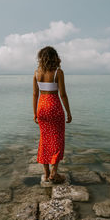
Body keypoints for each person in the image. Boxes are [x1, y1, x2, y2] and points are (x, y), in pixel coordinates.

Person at [33, 46, 72, 183]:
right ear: (54, 57)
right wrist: (68, 112)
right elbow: (63, 95)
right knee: (57, 138)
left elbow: (35, 94)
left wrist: (35, 113)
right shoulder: (58, 72)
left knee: (44, 139)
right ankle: (54, 172)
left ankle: (46, 172)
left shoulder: (37, 73)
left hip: (41, 108)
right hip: (54, 106)